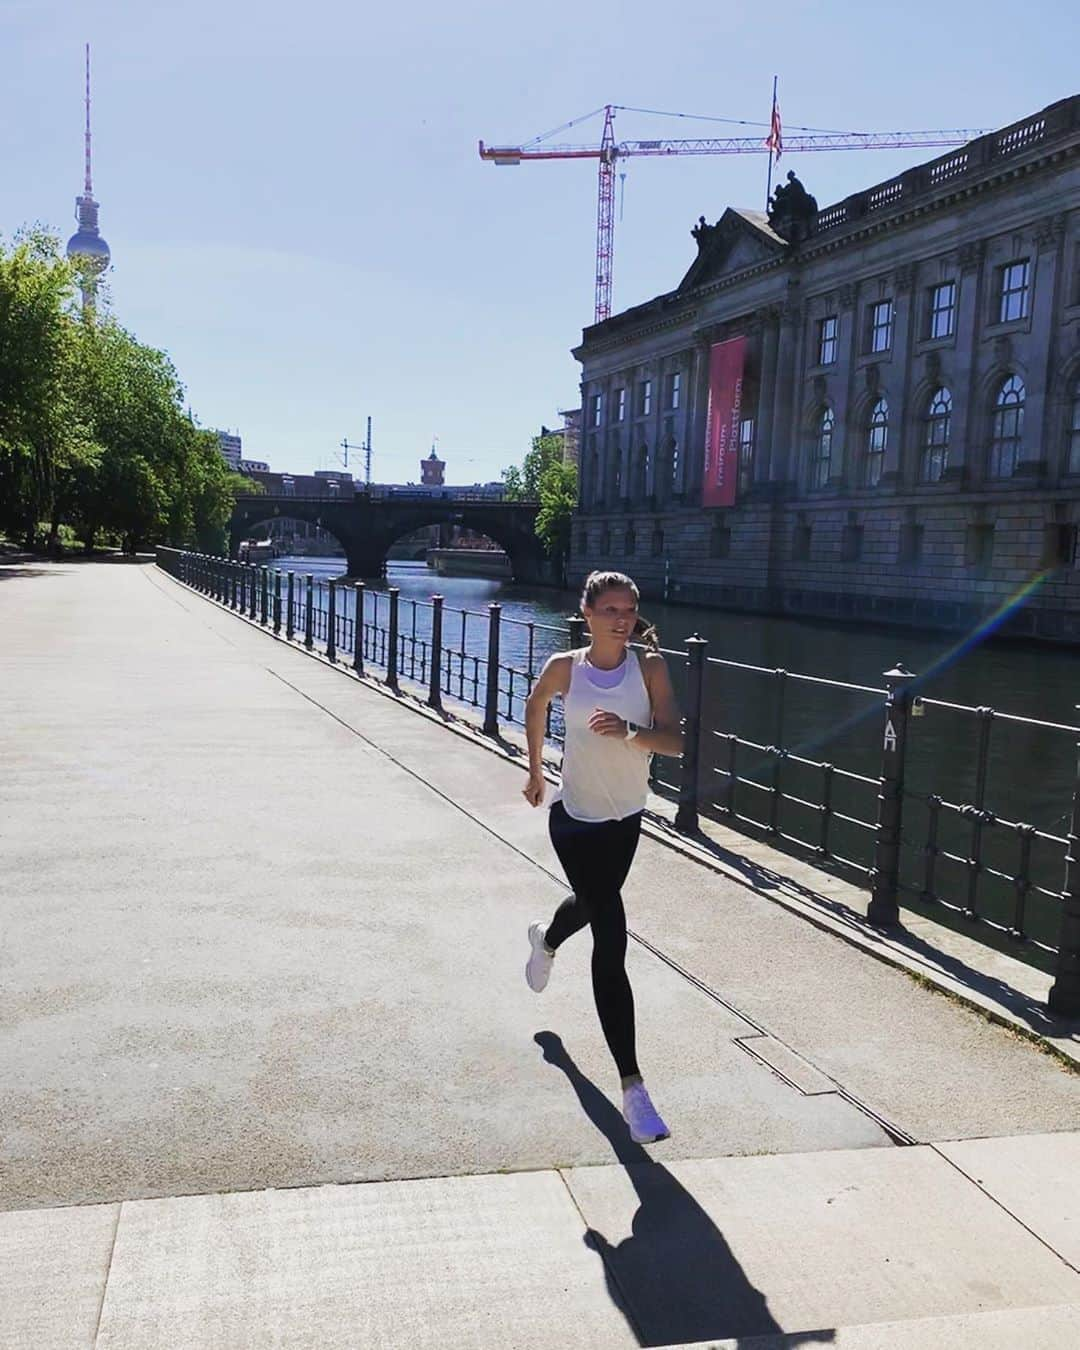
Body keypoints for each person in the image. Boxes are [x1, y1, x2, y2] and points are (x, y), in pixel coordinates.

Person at [522, 570, 683, 1143]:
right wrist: (536, 769)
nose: (622, 619)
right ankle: (634, 1090)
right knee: (611, 932)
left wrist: (629, 732)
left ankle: (546, 938)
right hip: (574, 819)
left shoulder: (652, 667)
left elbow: (674, 740)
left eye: (630, 609)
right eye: (610, 608)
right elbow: (536, 704)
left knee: (591, 904)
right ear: (587, 612)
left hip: (626, 820)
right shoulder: (566, 667)